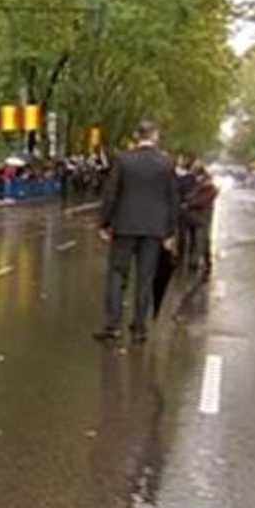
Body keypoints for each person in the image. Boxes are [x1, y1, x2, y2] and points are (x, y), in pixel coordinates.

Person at [95, 122, 178, 344]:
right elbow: (173, 198)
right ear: (155, 136)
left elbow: (111, 193)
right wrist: (170, 231)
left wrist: (104, 223)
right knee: (145, 277)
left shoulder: (123, 160)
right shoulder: (166, 163)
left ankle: (113, 325)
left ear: (136, 136)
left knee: (117, 274)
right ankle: (139, 327)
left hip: (125, 226)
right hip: (154, 229)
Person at [181, 169, 219, 271]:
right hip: (194, 219)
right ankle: (201, 261)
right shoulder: (198, 188)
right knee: (198, 240)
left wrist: (188, 204)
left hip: (202, 220)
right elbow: (189, 197)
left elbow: (200, 201)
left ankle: (198, 261)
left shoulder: (210, 189)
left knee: (202, 241)